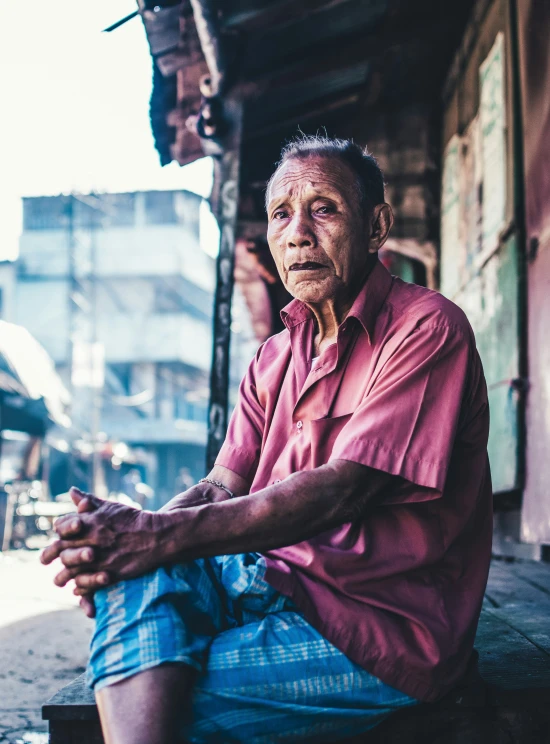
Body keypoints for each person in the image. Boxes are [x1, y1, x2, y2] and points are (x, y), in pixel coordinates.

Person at [42, 135, 492, 744]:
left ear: (376, 225)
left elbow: (341, 492)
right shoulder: (274, 356)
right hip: (266, 583)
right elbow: (216, 488)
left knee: (155, 695)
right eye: (282, 213)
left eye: (324, 208)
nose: (298, 232)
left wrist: (149, 538)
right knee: (138, 583)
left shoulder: (427, 328)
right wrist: (128, 541)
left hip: (379, 627)